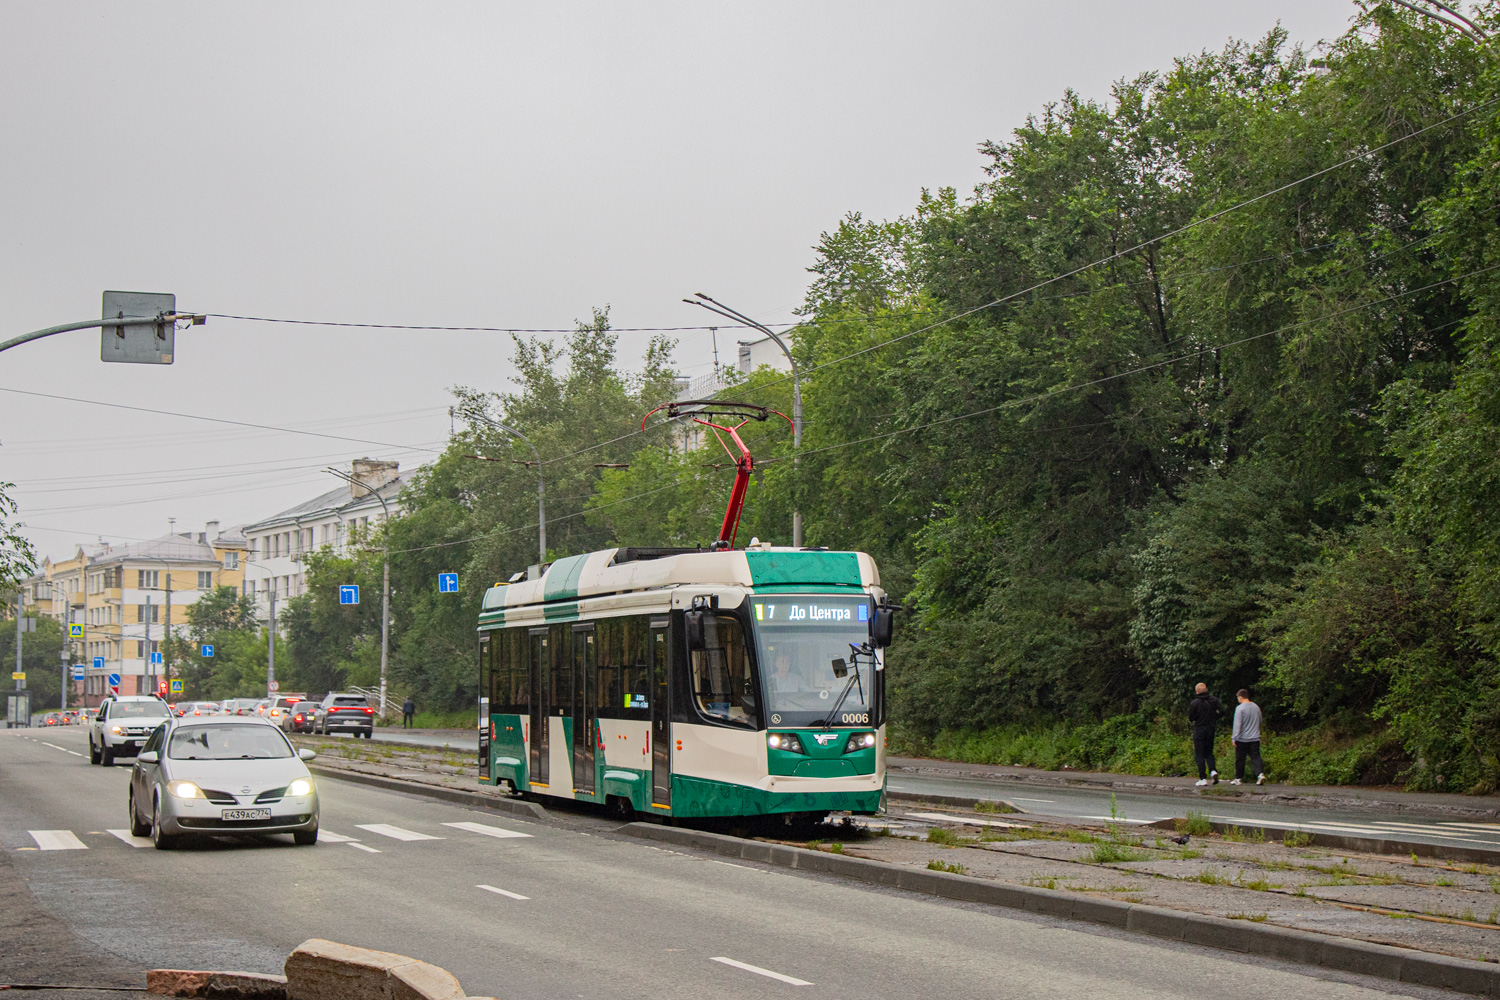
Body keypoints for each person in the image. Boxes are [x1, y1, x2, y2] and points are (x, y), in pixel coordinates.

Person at [1187, 683, 1223, 786]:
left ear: (1197, 691)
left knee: (1199, 754)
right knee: (1209, 752)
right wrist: (1214, 717)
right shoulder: (1214, 700)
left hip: (1199, 729)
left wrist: (1198, 717)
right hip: (1211, 728)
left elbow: (1191, 718)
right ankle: (1213, 771)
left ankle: (1203, 778)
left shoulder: (1194, 703)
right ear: (1206, 689)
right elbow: (1222, 711)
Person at [1231, 688, 1266, 785]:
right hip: (1255, 738)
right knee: (1256, 757)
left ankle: (1238, 778)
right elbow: (1260, 720)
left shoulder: (1240, 708)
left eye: (1238, 698)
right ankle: (1260, 774)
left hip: (1242, 739)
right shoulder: (1256, 707)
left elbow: (1237, 724)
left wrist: (1234, 738)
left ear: (1241, 697)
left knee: (1240, 759)